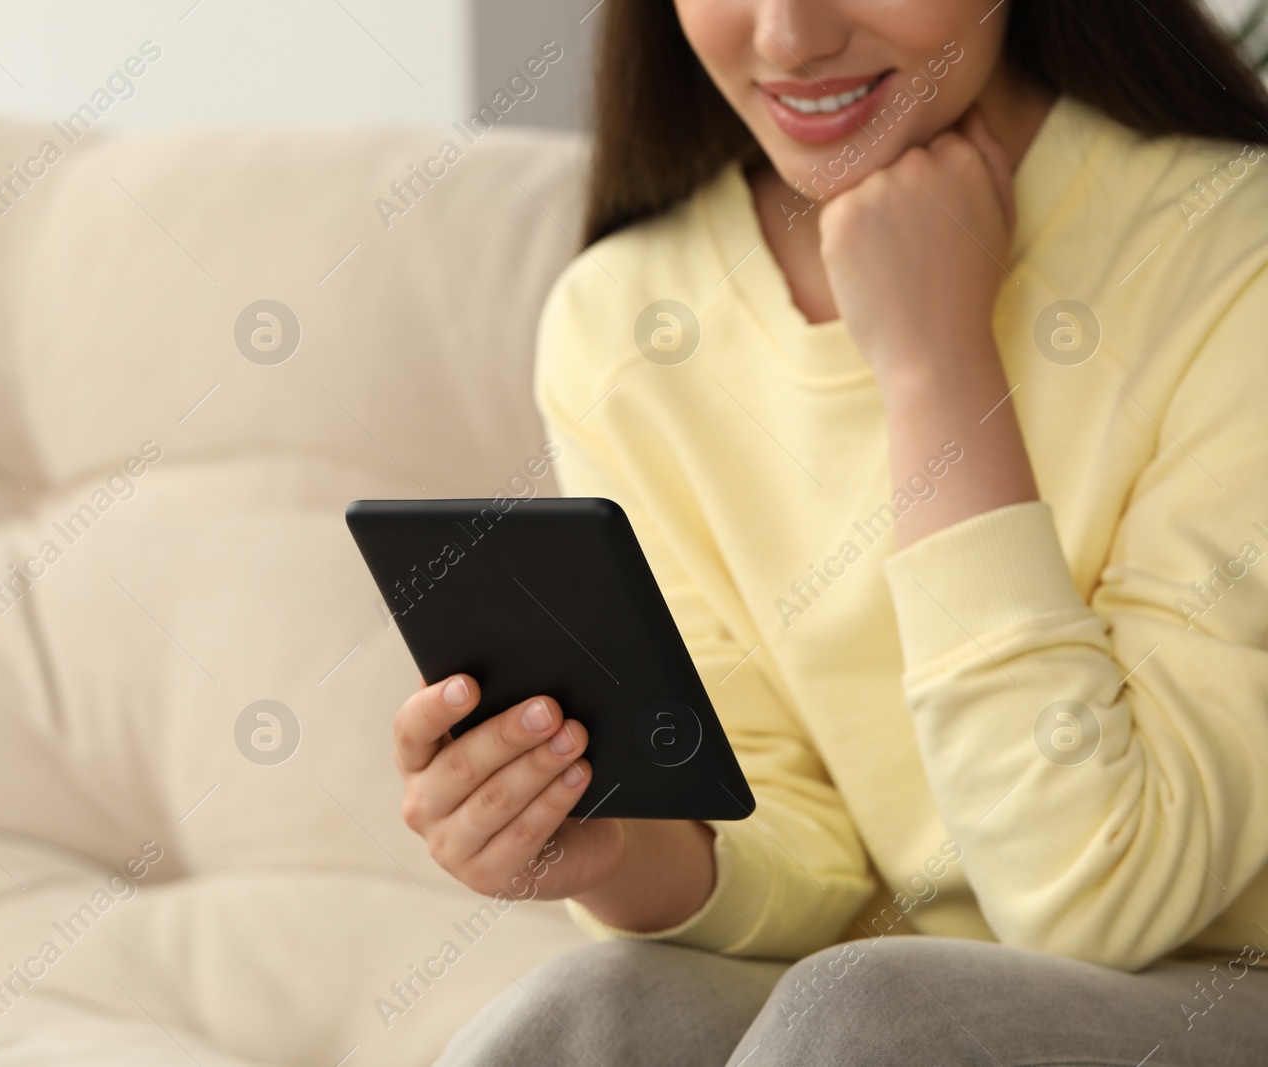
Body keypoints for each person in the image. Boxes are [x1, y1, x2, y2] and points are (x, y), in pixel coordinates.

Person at [392, 0, 1268, 1063]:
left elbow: (1104, 884)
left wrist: (935, 365)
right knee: (588, 1010)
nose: (787, 38)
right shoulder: (623, 315)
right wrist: (617, 843)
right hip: (868, 1012)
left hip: (1209, 986)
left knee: (868, 1012)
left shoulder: (1231, 249)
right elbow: (798, 835)